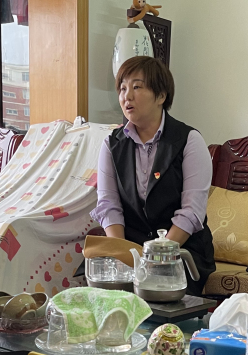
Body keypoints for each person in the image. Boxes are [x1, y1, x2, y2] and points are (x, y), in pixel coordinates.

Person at [92, 56, 215, 295]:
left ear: (161, 96)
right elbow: (108, 206)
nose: (127, 96)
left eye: (137, 87)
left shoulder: (189, 140)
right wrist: (121, 255)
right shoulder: (111, 144)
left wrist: (156, 259)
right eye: (122, 88)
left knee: (156, 294)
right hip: (131, 249)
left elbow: (192, 212)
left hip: (180, 252)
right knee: (100, 288)